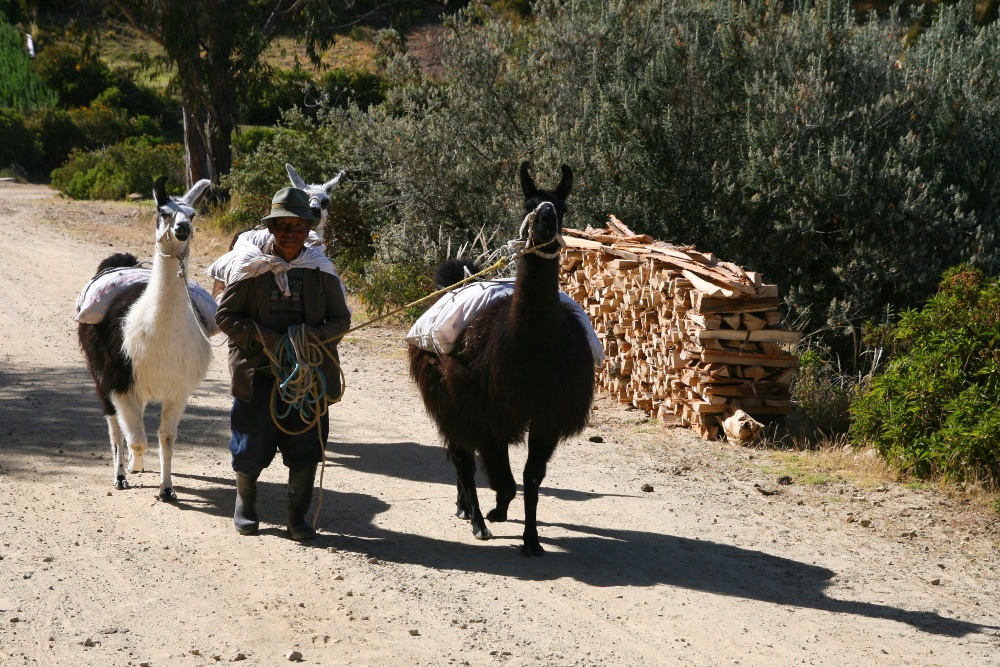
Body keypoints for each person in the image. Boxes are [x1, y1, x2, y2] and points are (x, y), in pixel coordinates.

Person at [215, 187, 351, 540]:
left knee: (306, 445)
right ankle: (245, 504)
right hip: (259, 372)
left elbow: (341, 320)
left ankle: (298, 518)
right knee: (250, 444)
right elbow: (226, 316)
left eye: (298, 227)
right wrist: (266, 337)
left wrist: (311, 338)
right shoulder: (253, 269)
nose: (290, 233)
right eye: (282, 226)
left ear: (308, 230)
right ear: (271, 229)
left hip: (307, 376)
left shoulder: (320, 270)